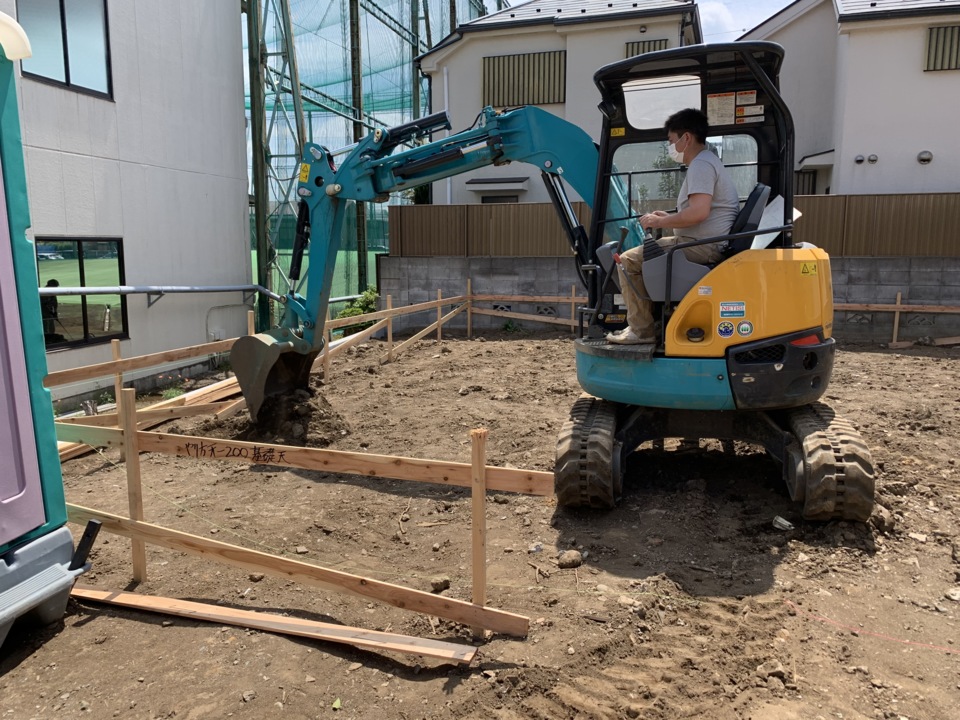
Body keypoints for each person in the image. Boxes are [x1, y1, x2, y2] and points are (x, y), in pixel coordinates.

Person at [607, 108, 740, 345]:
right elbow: (701, 211)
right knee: (645, 256)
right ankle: (654, 323)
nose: (669, 146)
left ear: (686, 138)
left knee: (626, 261)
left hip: (701, 246)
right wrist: (669, 217)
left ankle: (642, 331)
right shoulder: (707, 162)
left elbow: (699, 212)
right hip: (705, 242)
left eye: (671, 140)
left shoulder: (701, 165)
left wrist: (661, 221)